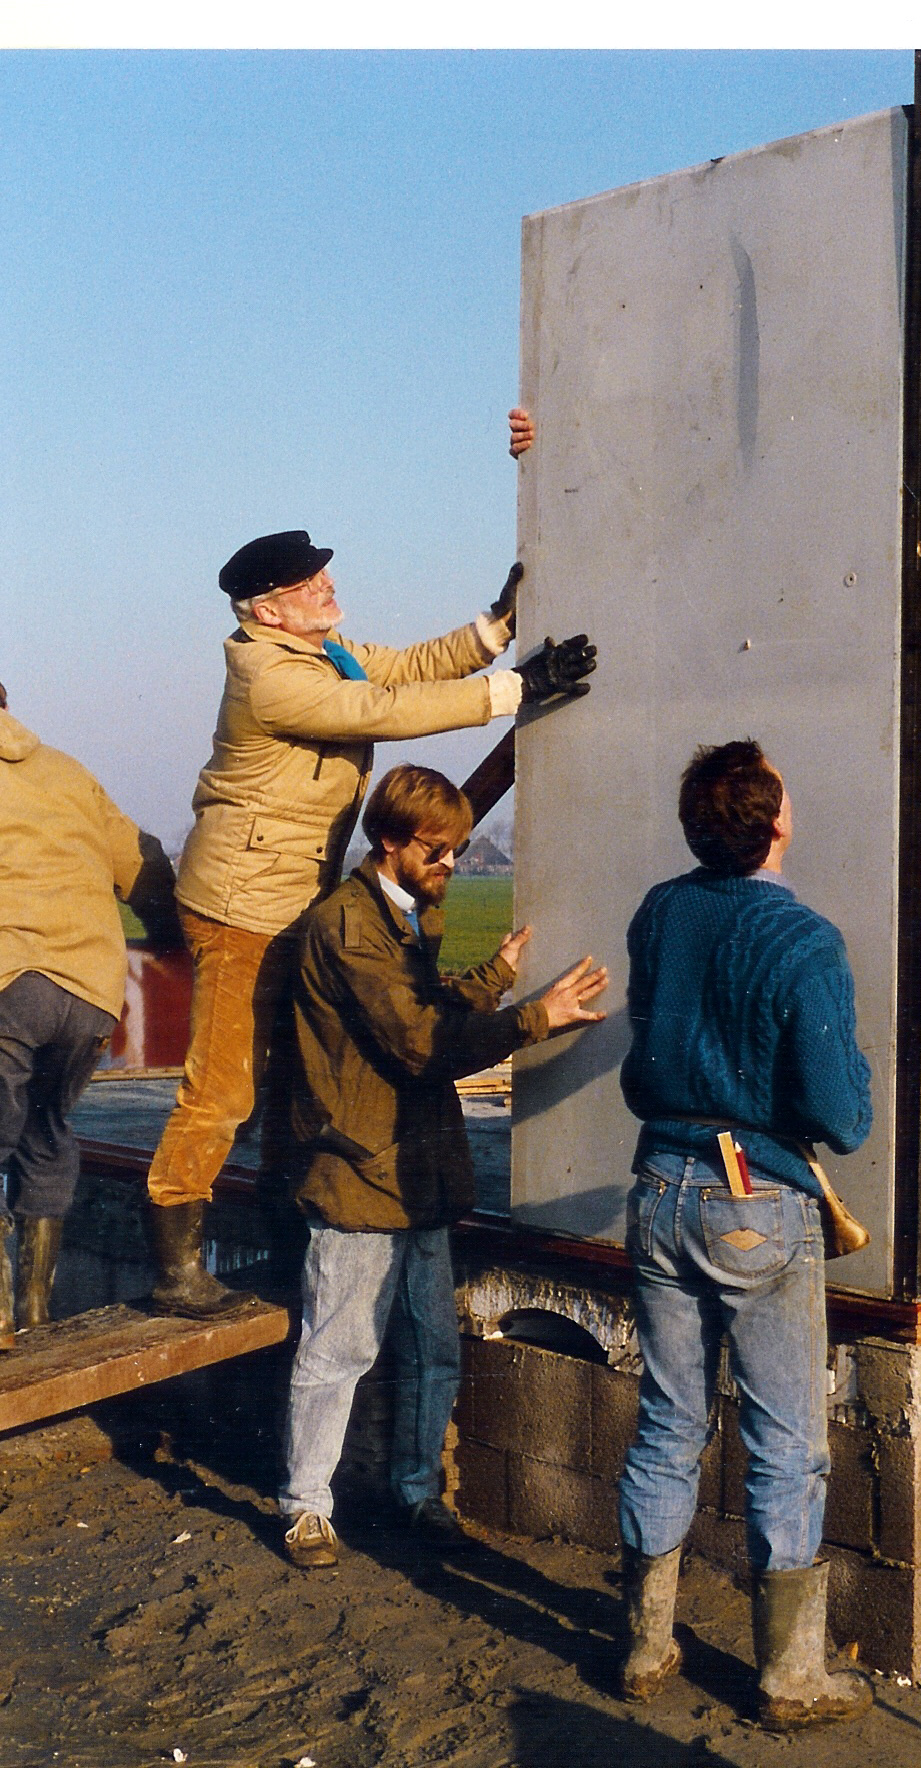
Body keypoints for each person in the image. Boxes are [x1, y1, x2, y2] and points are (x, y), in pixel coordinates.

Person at [146, 462, 594, 1320]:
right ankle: (176, 1267)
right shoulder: (271, 676)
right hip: (241, 908)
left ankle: (283, 1234)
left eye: (323, 573)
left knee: (295, 1079)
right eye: (307, 583)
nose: (328, 585)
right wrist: (516, 690)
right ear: (265, 610)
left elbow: (403, 671)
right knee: (225, 1088)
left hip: (290, 900)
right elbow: (380, 712)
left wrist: (495, 629)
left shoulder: (320, 650)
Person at [278, 763, 607, 1565]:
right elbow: (421, 1043)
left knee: (433, 1348)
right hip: (360, 1173)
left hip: (413, 1170)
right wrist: (534, 1017)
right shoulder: (350, 927)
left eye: (458, 848)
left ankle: (418, 1493)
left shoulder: (401, 914)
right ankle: (305, 1508)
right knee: (338, 1350)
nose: (452, 863)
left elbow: (418, 1010)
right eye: (438, 849)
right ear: (391, 841)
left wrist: (493, 977)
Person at [616, 739, 873, 1731]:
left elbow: (648, 1050)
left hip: (659, 1185)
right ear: (775, 824)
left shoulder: (660, 911)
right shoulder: (804, 939)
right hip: (756, 1201)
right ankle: (789, 1677)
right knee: (785, 1442)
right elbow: (840, 1117)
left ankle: (644, 1646)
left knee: (668, 1421)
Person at [0, 681, 180, 1340]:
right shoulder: (68, 771)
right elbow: (143, 863)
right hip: (90, 992)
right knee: (45, 1135)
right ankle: (34, 1314)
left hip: (9, 980)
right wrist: (167, 933)